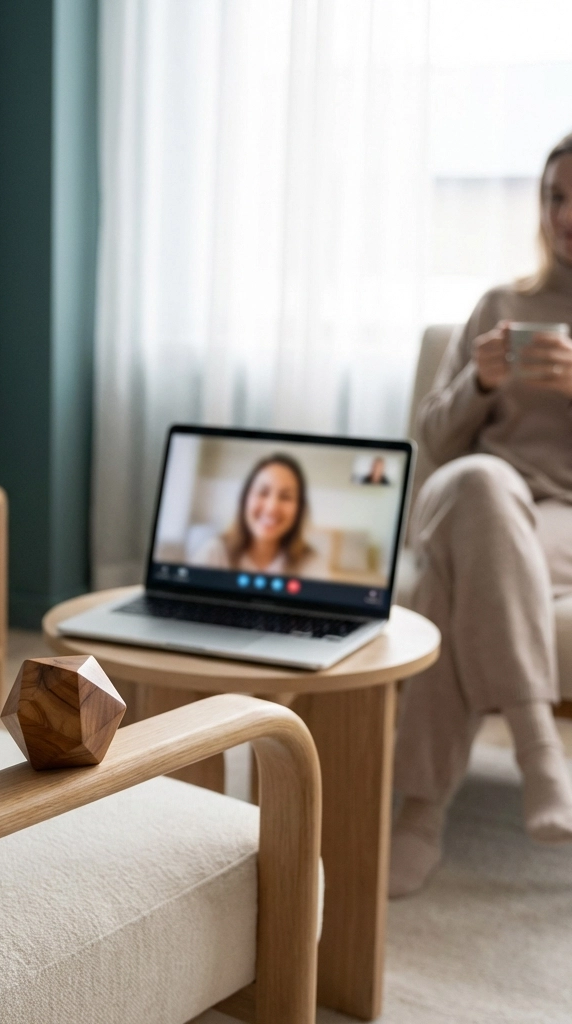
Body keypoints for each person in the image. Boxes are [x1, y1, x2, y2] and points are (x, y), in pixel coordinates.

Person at [391, 132, 572, 898]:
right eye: (555, 196)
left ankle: (419, 819)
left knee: (449, 581)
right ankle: (539, 746)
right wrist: (479, 383)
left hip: (559, 521)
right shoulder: (499, 305)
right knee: (482, 485)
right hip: (468, 491)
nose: (565, 213)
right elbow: (432, 437)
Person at [189, 453, 325, 575]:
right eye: (263, 492)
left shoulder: (311, 564)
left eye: (286, 497)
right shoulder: (215, 553)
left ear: (300, 509)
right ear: (245, 499)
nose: (271, 507)